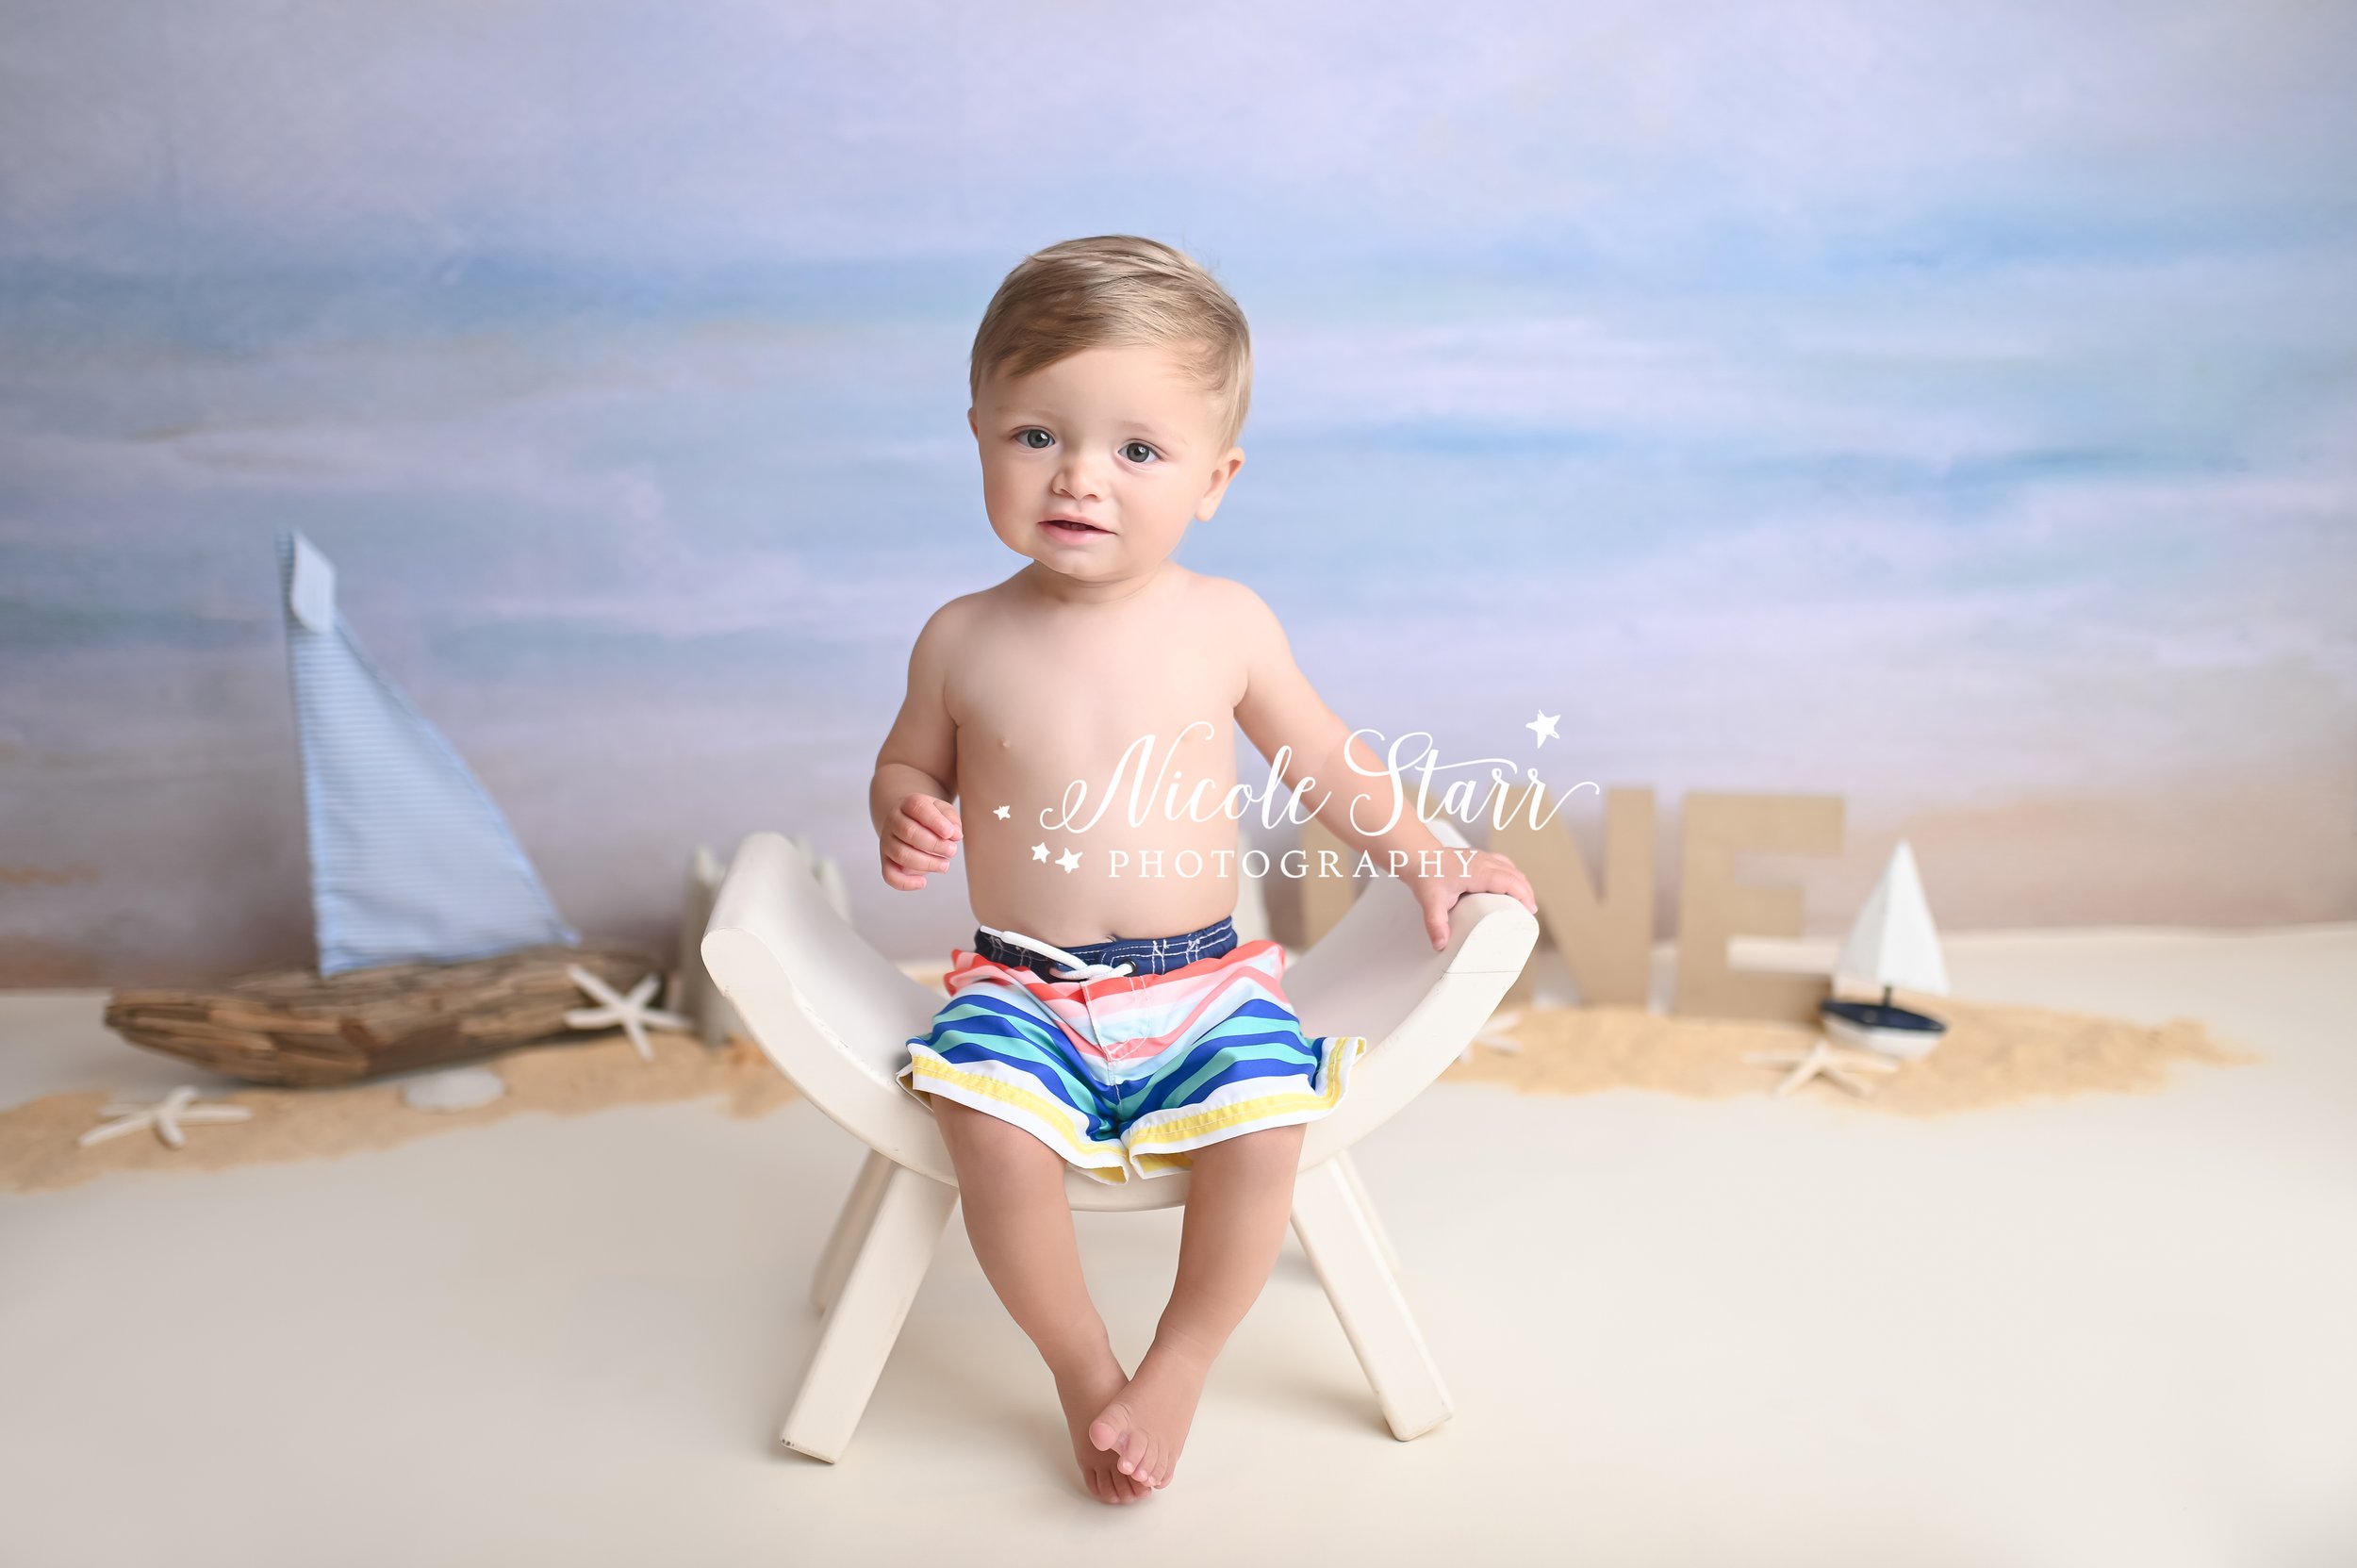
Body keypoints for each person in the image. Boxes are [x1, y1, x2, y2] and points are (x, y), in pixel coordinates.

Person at [867, 235, 1537, 1505]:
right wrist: (905, 810)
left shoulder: (1225, 624)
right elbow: (906, 767)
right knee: (985, 1134)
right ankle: (1080, 1366)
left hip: (1202, 979)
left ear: (1214, 479)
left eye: (1137, 450)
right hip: (1028, 985)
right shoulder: (962, 637)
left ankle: (1177, 1362)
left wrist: (1432, 859)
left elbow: (1330, 763)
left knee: (1265, 1131)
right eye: (1034, 437)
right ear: (977, 434)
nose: (1079, 478)